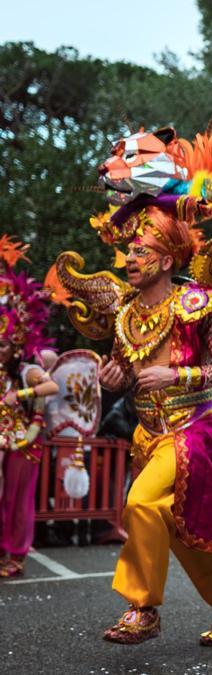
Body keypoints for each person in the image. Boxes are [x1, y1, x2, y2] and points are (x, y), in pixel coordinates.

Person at [48, 120, 212, 645]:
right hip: (148, 433)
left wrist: (179, 372)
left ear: (167, 259)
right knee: (176, 525)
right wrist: (115, 377)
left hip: (193, 426)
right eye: (128, 252)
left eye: (139, 253)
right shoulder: (126, 315)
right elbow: (128, 375)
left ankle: (142, 609)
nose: (128, 259)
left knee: (140, 506)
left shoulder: (197, 305)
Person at [0, 236, 59, 579]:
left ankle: (17, 554)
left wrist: (17, 397)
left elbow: (50, 386)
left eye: (4, 344)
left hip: (25, 438)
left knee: (17, 497)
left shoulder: (27, 368)